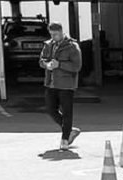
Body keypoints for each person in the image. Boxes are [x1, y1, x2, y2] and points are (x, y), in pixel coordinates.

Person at [39, 22, 82, 151]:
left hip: (66, 84)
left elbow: (77, 66)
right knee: (50, 109)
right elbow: (41, 60)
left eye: (56, 34)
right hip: (51, 83)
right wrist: (47, 65)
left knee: (67, 112)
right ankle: (70, 130)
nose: (54, 37)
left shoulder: (72, 46)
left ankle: (65, 139)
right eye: (51, 34)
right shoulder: (48, 45)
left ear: (62, 32)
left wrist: (60, 65)